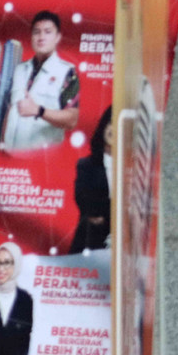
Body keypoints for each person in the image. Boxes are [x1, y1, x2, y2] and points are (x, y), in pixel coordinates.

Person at [2, 10, 80, 150]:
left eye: (48, 32)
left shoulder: (67, 73)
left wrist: (39, 111)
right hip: (9, 155)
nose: (41, 37)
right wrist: (2, 144)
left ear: (57, 37)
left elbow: (71, 120)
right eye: (36, 32)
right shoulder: (19, 69)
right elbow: (10, 109)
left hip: (40, 158)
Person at [70, 106, 113, 253]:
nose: (113, 129)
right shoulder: (86, 164)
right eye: (110, 123)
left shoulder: (132, 167)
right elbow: (85, 199)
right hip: (89, 240)